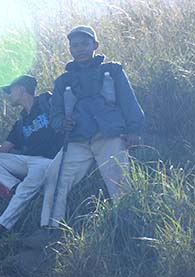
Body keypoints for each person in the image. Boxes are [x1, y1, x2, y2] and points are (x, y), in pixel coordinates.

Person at [40, 25, 145, 229]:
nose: (79, 49)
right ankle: (50, 228)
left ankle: (130, 227)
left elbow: (129, 101)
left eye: (85, 44)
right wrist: (62, 123)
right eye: (75, 45)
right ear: (70, 49)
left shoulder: (112, 71)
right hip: (77, 141)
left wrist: (135, 130)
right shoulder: (62, 81)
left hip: (110, 136)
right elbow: (54, 115)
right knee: (53, 176)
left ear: (95, 45)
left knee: (119, 181)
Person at [0, 75, 63, 234]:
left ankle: (1, 226)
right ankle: (13, 186)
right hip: (25, 161)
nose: (10, 94)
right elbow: (3, 149)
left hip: (49, 161)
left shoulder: (47, 103)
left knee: (28, 185)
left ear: (22, 89)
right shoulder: (20, 123)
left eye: (11, 90)